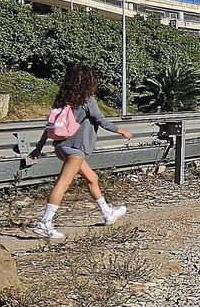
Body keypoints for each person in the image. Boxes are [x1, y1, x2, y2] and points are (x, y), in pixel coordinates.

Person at [27, 66, 132, 241]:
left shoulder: (63, 100)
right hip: (75, 150)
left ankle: (107, 213)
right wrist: (122, 131)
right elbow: (102, 121)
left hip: (61, 147)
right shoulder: (87, 100)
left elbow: (49, 127)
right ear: (89, 82)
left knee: (92, 178)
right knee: (62, 184)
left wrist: (38, 148)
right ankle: (44, 223)